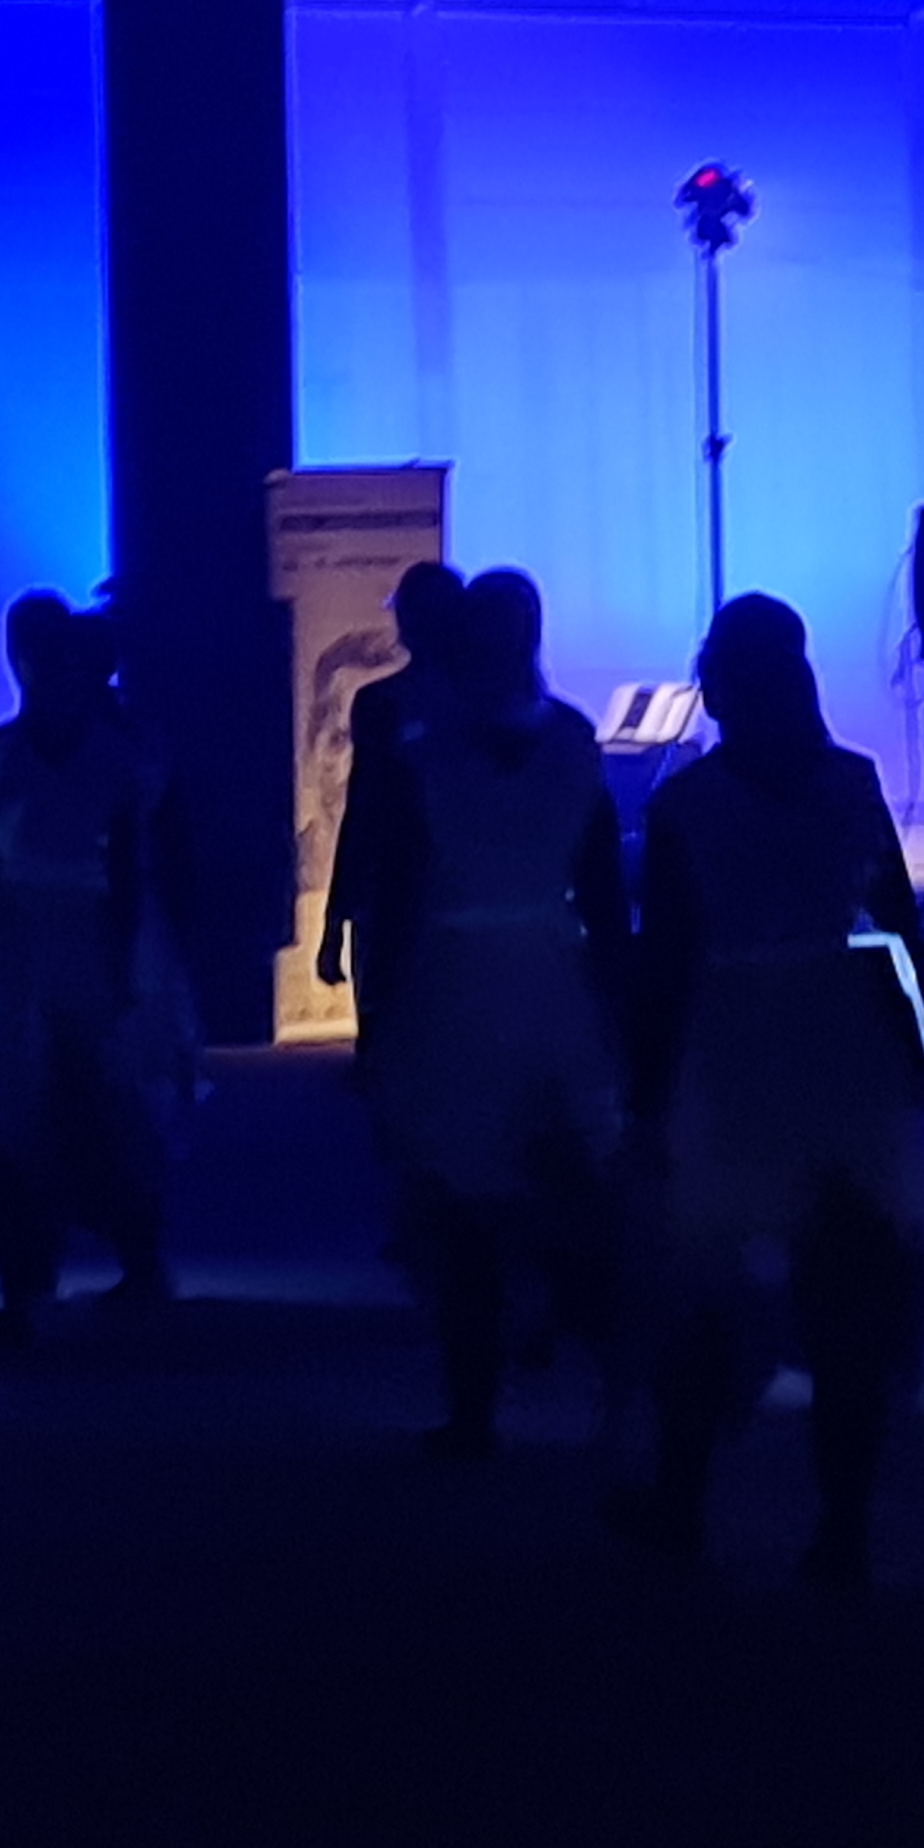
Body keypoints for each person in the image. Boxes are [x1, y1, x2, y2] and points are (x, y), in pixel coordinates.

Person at [612, 594, 924, 1590]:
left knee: (705, 1279)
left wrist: (645, 1095)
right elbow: (897, 924)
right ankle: (842, 1528)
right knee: (848, 1283)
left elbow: (666, 959)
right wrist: (915, 1053)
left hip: (732, 1033)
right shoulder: (851, 779)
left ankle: (681, 1502)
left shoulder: (685, 805)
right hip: (839, 1032)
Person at [354, 569, 629, 1458]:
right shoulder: (575, 740)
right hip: (550, 971)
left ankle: (474, 1407)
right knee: (564, 1175)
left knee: (461, 1195)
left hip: (453, 982)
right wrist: (617, 995)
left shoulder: (423, 754)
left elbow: (396, 894)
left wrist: (379, 1011)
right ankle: (604, 1378)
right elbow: (602, 890)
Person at [0, 594, 174, 1347]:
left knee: (80, 1099)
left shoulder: (84, 755)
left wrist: (128, 960)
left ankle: (86, 1270)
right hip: (20, 940)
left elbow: (127, 868)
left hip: (61, 936)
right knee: (33, 1102)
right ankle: (36, 1281)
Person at [315, 560, 468, 1060]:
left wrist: (335, 921)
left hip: (391, 892)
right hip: (462, 892)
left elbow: (364, 812)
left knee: (390, 1045)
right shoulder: (484, 705)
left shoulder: (379, 701)